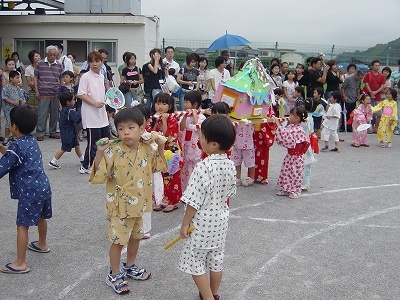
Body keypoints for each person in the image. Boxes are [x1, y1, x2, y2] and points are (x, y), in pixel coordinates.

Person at [90, 107, 167, 294]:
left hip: (140, 204)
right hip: (119, 206)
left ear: (142, 129)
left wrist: (161, 145)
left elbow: (158, 166)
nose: (125, 132)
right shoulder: (113, 150)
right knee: (118, 241)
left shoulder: (147, 147)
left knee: (135, 237)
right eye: (121, 128)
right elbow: (97, 177)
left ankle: (130, 265)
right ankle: (114, 273)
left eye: (131, 127)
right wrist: (100, 152)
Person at [179, 114, 236, 300]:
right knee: (216, 259)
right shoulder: (230, 165)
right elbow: (229, 195)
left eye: (202, 136)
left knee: (196, 262)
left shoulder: (203, 167)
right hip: (220, 221)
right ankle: (213, 294)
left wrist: (185, 224)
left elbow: (193, 201)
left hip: (202, 223)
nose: (199, 139)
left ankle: (208, 298)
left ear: (213, 144)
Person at [0, 105, 52, 274]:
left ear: (14, 126)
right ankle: (42, 244)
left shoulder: (16, 147)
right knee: (41, 217)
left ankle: (20, 262)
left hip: (29, 192)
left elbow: (4, 165)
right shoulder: (31, 141)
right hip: (43, 187)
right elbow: (13, 156)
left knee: (22, 226)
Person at [77, 50, 110, 174]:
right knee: (93, 142)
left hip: (102, 114)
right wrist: (94, 103)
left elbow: (103, 93)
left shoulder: (101, 76)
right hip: (90, 115)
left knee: (105, 139)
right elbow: (80, 94)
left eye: (97, 61)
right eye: (91, 61)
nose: (94, 64)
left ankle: (99, 163)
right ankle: (86, 165)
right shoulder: (85, 76)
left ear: (102, 62)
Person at [152, 93, 183, 212]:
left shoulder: (172, 118)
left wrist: (164, 121)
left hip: (171, 150)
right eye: (158, 103)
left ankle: (172, 201)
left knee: (171, 175)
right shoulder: (153, 117)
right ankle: (159, 200)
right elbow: (151, 132)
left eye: (164, 104)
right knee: (158, 175)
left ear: (169, 106)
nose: (160, 106)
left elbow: (168, 135)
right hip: (158, 150)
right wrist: (155, 122)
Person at [274, 106, 309, 199]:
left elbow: (286, 136)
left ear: (297, 118)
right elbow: (285, 133)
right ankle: (286, 188)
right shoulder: (291, 126)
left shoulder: (298, 129)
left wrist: (278, 125)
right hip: (290, 155)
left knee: (295, 173)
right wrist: (280, 125)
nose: (289, 116)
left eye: (291, 115)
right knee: (286, 171)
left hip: (297, 157)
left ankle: (295, 190)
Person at [34, 45, 63, 141]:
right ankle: (40, 132)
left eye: (54, 55)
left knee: (54, 114)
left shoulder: (59, 65)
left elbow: (61, 79)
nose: (52, 57)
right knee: (42, 114)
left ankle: (52, 132)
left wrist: (61, 91)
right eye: (50, 55)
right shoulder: (40, 63)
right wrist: (37, 91)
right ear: (47, 54)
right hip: (43, 92)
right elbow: (35, 78)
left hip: (55, 93)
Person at [49, 92, 84, 169]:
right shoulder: (69, 111)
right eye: (73, 100)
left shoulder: (63, 110)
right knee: (64, 148)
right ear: (68, 102)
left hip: (69, 132)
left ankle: (82, 159)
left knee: (77, 145)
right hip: (68, 133)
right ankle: (53, 161)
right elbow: (77, 119)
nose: (74, 101)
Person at [179, 91, 205, 191]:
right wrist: (185, 116)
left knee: (195, 169)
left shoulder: (201, 117)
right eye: (185, 102)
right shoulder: (184, 115)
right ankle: (185, 191)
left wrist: (194, 114)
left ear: (195, 104)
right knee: (185, 170)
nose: (185, 104)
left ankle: (195, 191)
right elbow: (181, 128)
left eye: (187, 102)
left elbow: (197, 126)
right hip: (186, 146)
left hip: (196, 147)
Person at [2, 71, 26, 146]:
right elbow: (4, 97)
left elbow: (21, 97)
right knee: (8, 122)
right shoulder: (6, 87)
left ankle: (13, 136)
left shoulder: (18, 88)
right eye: (17, 78)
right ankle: (6, 137)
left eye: (19, 78)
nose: (18, 80)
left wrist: (21, 100)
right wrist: (12, 102)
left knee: (15, 122)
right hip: (8, 108)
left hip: (16, 108)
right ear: (11, 78)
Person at [362, 60, 386, 133]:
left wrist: (376, 92)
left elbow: (382, 86)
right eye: (375, 65)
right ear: (372, 66)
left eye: (378, 65)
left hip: (377, 96)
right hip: (368, 96)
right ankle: (368, 127)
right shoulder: (368, 74)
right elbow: (366, 84)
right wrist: (370, 92)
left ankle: (376, 128)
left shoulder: (381, 76)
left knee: (379, 113)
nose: (377, 67)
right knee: (367, 112)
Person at [231, 120, 255, 187]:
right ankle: (237, 177)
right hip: (236, 143)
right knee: (236, 161)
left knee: (250, 161)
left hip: (248, 143)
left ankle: (251, 178)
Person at [302, 98, 318, 191]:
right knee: (307, 165)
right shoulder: (311, 118)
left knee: (301, 163)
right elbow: (311, 131)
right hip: (308, 143)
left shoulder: (304, 118)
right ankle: (305, 183)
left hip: (302, 143)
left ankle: (300, 183)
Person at [390, 59, 400, 135]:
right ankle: (396, 128)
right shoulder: (394, 74)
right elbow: (391, 86)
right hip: (397, 96)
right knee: (396, 112)